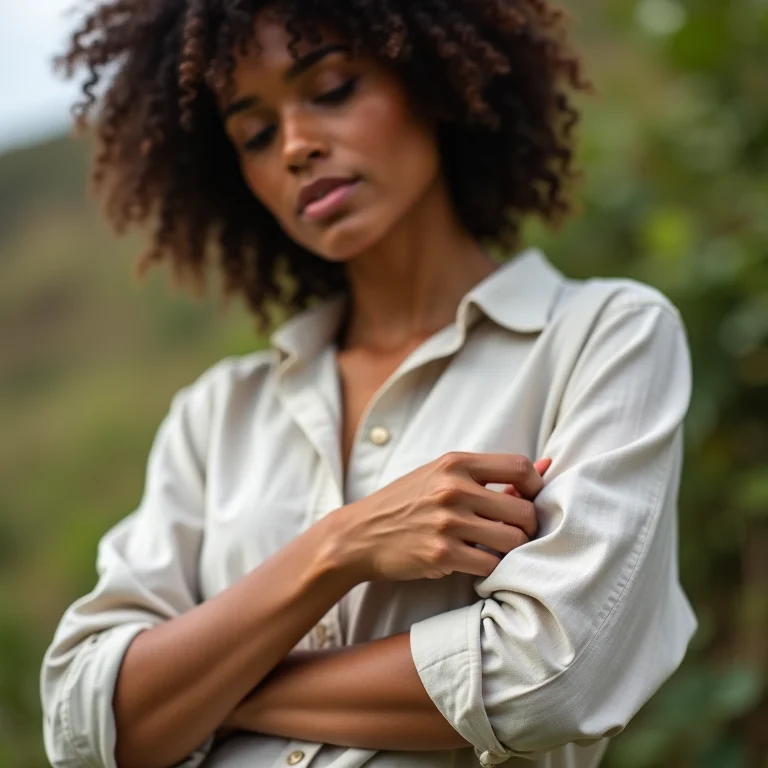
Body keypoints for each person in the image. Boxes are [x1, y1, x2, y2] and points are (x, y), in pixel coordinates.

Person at [40, 2, 697, 767]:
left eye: (333, 89)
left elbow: (547, 678)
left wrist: (209, 686)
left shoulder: (603, 337)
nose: (294, 145)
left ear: (432, 81)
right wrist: (340, 546)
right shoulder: (216, 414)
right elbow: (79, 723)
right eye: (254, 133)